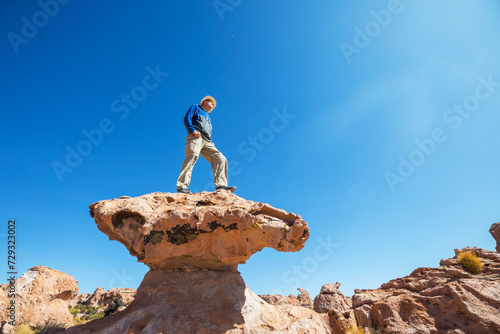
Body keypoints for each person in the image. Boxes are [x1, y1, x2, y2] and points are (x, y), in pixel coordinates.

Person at [176, 96, 236, 194]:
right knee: (192, 156)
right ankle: (182, 186)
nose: (212, 104)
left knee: (220, 158)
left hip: (207, 141)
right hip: (196, 137)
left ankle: (221, 185)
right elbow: (186, 118)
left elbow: (207, 130)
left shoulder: (209, 118)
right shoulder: (196, 107)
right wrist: (192, 131)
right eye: (211, 102)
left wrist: (210, 141)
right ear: (204, 102)